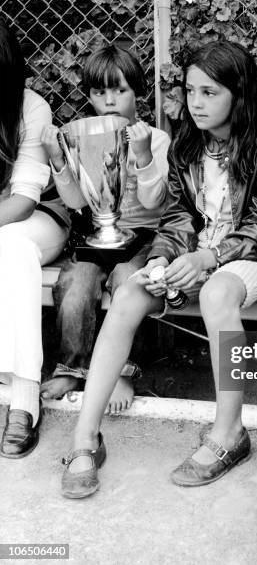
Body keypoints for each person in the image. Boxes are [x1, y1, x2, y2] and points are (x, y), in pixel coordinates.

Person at [60, 40, 257, 499]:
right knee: (128, 294)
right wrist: (164, 258)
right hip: (189, 256)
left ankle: (228, 435)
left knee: (216, 293)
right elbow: (179, 217)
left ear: (238, 94)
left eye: (210, 92)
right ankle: (85, 436)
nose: (197, 103)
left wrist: (209, 259)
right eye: (190, 91)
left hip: (250, 261)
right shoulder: (187, 145)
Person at [40, 45, 170, 412]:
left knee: (131, 281)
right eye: (99, 92)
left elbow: (155, 203)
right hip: (98, 234)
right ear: (89, 96)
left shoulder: (155, 139)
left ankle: (123, 370)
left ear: (138, 91)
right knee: (75, 282)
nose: (110, 101)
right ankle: (73, 366)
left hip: (144, 237)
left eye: (120, 90)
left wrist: (143, 155)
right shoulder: (83, 138)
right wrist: (58, 161)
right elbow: (78, 203)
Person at [0, 17, 70, 458]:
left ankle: (24, 401)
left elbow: (23, 201)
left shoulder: (30, 107)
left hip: (39, 217)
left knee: (10, 247)